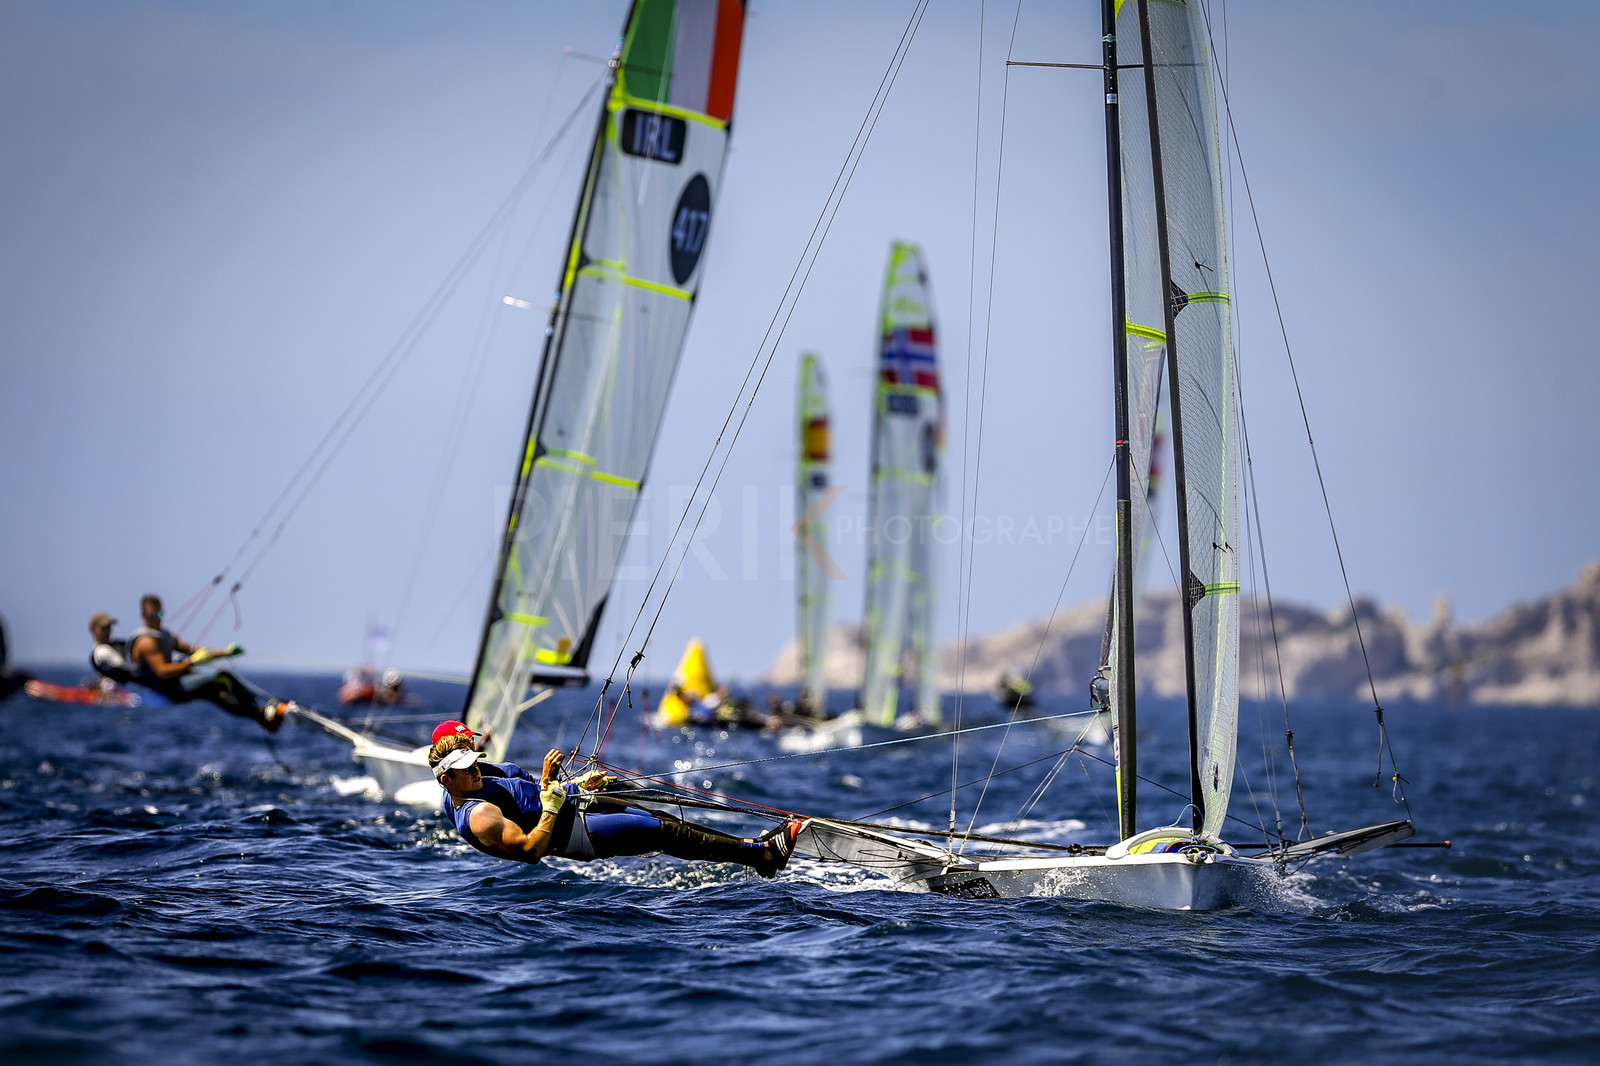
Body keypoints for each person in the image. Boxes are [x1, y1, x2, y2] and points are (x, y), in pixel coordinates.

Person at [429, 729, 801, 876]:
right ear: (447, 780)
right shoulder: (478, 815)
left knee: (660, 818)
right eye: (465, 768)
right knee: (661, 831)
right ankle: (763, 853)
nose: (475, 768)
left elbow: (531, 795)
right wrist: (554, 803)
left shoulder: (476, 778)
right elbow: (529, 850)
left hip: (575, 806)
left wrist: (568, 783)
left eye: (472, 758)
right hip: (574, 832)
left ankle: (756, 852)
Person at [126, 593, 288, 731]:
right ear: (143, 615)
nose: (157, 619)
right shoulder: (146, 642)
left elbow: (194, 650)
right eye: (152, 615)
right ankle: (264, 711)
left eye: (160, 614)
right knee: (222, 674)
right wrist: (190, 662)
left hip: (177, 682)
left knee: (219, 693)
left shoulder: (164, 635)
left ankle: (262, 717)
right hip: (168, 689)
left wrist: (226, 652)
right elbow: (162, 671)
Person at [88, 611, 134, 688]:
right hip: (119, 690)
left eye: (109, 627)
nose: (107, 631)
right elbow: (124, 667)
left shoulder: (117, 644)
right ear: (93, 629)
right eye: (103, 628)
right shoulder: (101, 651)